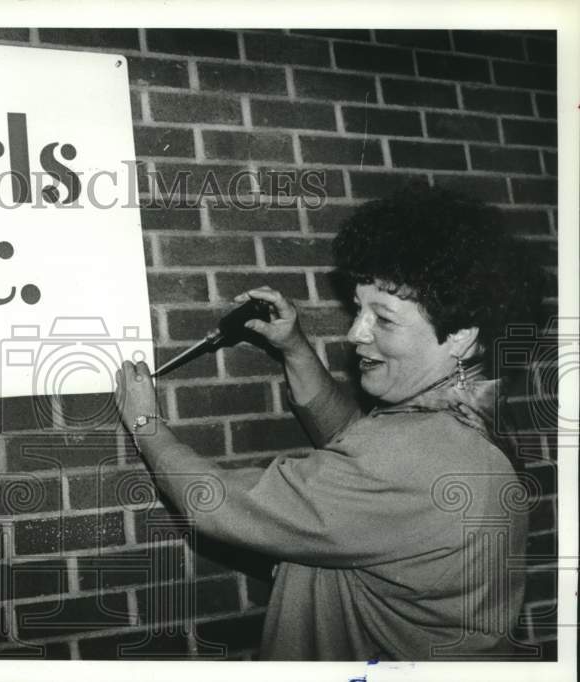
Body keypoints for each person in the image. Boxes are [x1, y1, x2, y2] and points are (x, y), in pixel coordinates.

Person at [115, 184, 543, 660]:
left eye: (383, 318)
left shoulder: (416, 456)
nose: (355, 332)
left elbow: (215, 504)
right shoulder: (464, 426)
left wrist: (144, 421)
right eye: (359, 310)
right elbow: (357, 452)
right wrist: (294, 346)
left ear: (460, 337)